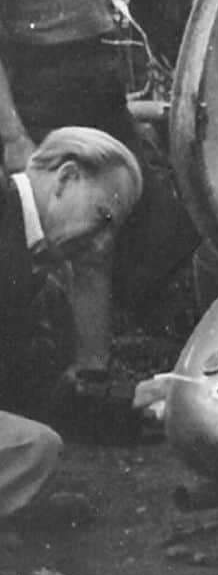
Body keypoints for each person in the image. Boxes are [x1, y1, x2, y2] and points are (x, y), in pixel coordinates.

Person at [0, 0, 194, 419]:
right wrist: (15, 137)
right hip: (38, 93)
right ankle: (76, 375)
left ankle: (102, 366)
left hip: (100, 88)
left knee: (134, 224)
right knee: (70, 240)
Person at [0, 127, 141, 524]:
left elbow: (31, 393)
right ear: (66, 178)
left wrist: (138, 403)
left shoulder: (39, 272)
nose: (102, 244)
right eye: (103, 217)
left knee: (34, 447)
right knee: (33, 448)